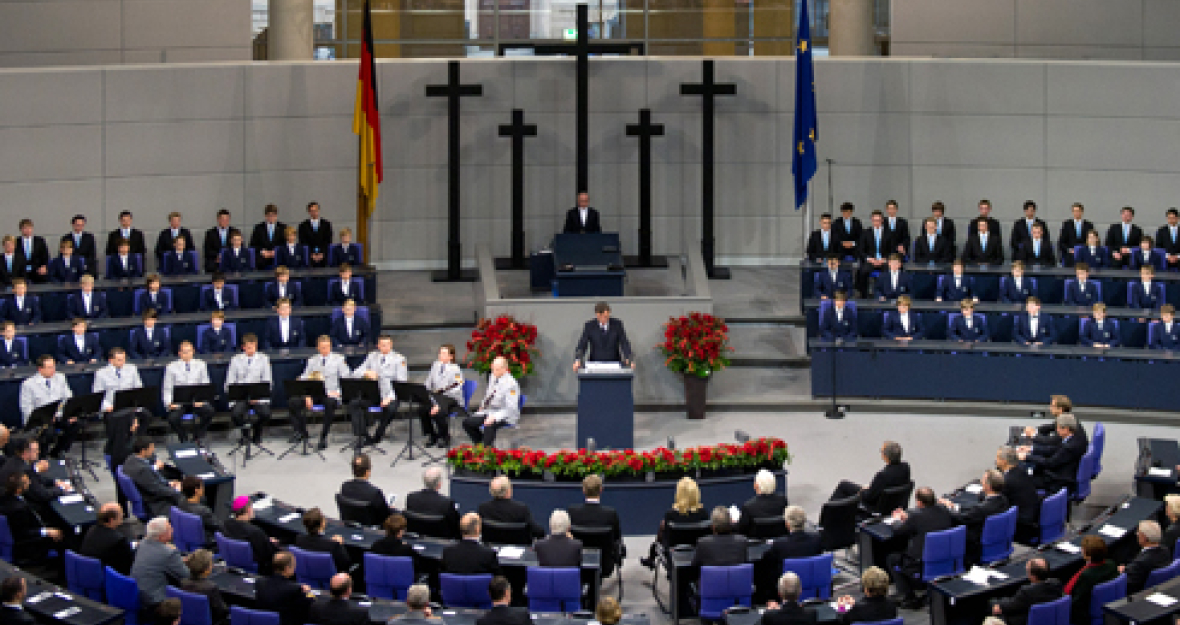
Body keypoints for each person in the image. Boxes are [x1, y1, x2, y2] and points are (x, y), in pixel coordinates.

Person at [887, 486, 955, 608]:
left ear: (919, 502)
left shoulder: (916, 517)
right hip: (944, 560)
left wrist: (896, 520)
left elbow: (898, 530)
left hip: (919, 565)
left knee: (892, 558)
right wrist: (908, 519)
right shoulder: (944, 510)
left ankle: (907, 596)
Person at [288, 336, 349, 450]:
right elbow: (305, 377)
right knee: (293, 402)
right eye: (322, 347)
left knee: (330, 404)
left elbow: (346, 378)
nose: (325, 350)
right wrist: (306, 394)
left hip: (331, 394)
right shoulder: (312, 360)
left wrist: (338, 393)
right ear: (318, 348)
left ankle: (323, 436)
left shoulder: (339, 359)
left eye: (327, 347)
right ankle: (301, 432)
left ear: (330, 347)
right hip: (315, 393)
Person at [93, 347, 149, 468]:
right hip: (112, 408)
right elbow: (97, 395)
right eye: (119, 360)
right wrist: (107, 407)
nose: (122, 362)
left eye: (123, 359)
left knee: (146, 415)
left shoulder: (132, 369)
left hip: (130, 406)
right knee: (119, 420)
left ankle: (135, 444)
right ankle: (119, 452)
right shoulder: (101, 373)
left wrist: (135, 406)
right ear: (111, 360)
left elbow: (138, 388)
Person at [939, 469, 1009, 565]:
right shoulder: (1003, 500)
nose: (981, 481)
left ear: (988, 486)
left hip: (975, 542)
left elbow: (962, 518)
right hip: (996, 538)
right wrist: (955, 506)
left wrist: (946, 508)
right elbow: (974, 512)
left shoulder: (982, 509)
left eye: (983, 480)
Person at [640, 476, 709, 568]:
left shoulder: (671, 515)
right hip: (699, 558)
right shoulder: (704, 514)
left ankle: (651, 558)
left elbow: (666, 539)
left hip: (673, 559)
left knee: (661, 530)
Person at [828, 440, 910, 514]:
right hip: (894, 502)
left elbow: (868, 497)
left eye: (881, 452)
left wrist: (862, 490)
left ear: (886, 456)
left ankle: (829, 514)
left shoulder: (882, 476)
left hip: (876, 506)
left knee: (844, 485)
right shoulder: (906, 467)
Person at [19, 355, 77, 456]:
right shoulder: (28, 384)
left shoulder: (60, 377)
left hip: (58, 415)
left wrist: (68, 413)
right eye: (50, 367)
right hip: (39, 420)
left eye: (54, 367)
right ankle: (42, 455)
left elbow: (68, 397)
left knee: (76, 424)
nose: (53, 370)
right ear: (40, 369)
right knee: (48, 432)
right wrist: (46, 418)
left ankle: (57, 451)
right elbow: (26, 408)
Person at [0, 473, 63, 563]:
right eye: (26, 482)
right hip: (29, 544)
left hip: (31, 525)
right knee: (65, 538)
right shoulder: (18, 509)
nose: (30, 483)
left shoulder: (5, 495)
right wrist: (47, 531)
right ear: (18, 489)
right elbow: (23, 533)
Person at [569, 474, 623, 575]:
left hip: (578, 562)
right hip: (605, 564)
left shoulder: (573, 513)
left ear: (583, 490)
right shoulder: (610, 514)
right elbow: (617, 538)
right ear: (601, 490)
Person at [131, 517, 190, 609]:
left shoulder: (142, 543)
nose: (173, 530)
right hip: (155, 602)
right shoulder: (169, 553)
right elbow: (187, 576)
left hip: (138, 593)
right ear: (161, 536)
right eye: (170, 529)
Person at [1019, 413, 1086, 494]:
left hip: (1059, 481)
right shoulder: (1070, 438)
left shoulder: (1070, 447)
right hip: (1059, 473)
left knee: (1021, 481)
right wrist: (1031, 449)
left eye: (1058, 428)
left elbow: (1049, 463)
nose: (1056, 431)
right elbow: (1053, 450)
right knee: (1031, 470)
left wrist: (1026, 457)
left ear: (1066, 429)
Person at [224, 333, 272, 444]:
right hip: (241, 396)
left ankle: (257, 431)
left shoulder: (264, 359)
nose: (251, 350)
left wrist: (258, 397)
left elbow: (267, 381)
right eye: (249, 347)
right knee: (236, 414)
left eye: (253, 347)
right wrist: (236, 394)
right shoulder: (235, 360)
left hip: (258, 396)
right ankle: (245, 434)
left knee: (265, 414)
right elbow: (230, 381)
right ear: (243, 347)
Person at [163, 341, 214, 444]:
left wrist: (202, 400)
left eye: (189, 351)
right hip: (179, 402)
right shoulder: (171, 367)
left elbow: (205, 384)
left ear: (193, 351)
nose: (187, 354)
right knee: (173, 419)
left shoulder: (201, 365)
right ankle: (184, 438)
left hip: (196, 401)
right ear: (179, 353)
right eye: (184, 352)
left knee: (209, 411)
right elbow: (167, 388)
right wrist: (169, 403)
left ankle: (198, 436)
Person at [463, 357, 521, 446]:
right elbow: (489, 394)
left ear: (505, 369)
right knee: (467, 422)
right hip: (491, 410)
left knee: (489, 426)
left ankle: (487, 451)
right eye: (493, 368)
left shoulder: (511, 384)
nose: (494, 371)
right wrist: (482, 406)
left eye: (497, 369)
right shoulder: (493, 376)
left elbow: (511, 408)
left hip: (506, 414)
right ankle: (480, 445)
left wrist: (494, 417)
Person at [123, 438, 183, 517]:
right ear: (143, 451)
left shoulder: (130, 459)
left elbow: (152, 483)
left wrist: (168, 483)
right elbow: (157, 489)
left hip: (150, 493)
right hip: (155, 503)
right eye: (151, 449)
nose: (153, 451)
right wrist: (176, 490)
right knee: (189, 497)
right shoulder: (143, 469)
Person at [1065, 536, 1118, 625]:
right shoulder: (1111, 564)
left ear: (1088, 556)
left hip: (1087, 614)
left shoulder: (1087, 575)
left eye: (1083, 549)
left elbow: (1076, 603)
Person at [992, 558, 1062, 625]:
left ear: (1033, 576)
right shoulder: (1056, 584)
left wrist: (996, 603)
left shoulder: (1027, 592)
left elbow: (1008, 607)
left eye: (1028, 571)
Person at [420, 344, 465, 448]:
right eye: (440, 353)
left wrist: (440, 402)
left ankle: (444, 436)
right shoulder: (435, 365)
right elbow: (429, 381)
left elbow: (457, 387)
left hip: (451, 397)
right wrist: (425, 392)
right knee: (422, 410)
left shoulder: (455, 369)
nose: (441, 355)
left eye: (444, 353)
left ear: (451, 356)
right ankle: (432, 435)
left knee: (439, 412)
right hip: (436, 396)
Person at [224, 496, 279, 575]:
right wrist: (271, 543)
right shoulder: (254, 532)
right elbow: (268, 554)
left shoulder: (227, 524)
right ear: (248, 509)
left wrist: (265, 540)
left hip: (234, 561)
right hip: (258, 567)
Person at [256, 552, 314, 625]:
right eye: (293, 565)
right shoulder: (294, 589)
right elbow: (311, 602)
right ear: (287, 568)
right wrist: (309, 592)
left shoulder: (260, 583)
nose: (295, 568)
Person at [477, 475, 544, 539]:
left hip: (490, 548)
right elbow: (538, 532)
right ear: (508, 491)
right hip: (517, 548)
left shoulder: (483, 509)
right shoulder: (521, 510)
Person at [995, 447, 1040, 542]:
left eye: (998, 458)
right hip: (1032, 515)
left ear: (1004, 461)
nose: (996, 460)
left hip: (1021, 523)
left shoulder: (1007, 480)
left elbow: (995, 499)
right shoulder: (1021, 471)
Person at [573, 301, 633, 370]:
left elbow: (624, 342)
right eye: (602, 317)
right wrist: (578, 360)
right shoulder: (589, 326)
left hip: (614, 364)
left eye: (607, 316)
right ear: (597, 315)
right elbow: (582, 344)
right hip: (595, 364)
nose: (605, 319)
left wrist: (628, 357)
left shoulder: (617, 325)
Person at [79, 502, 135, 575]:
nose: (123, 516)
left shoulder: (91, 530)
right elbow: (128, 564)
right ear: (111, 520)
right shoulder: (118, 540)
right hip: (108, 577)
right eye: (121, 515)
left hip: (88, 572)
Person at [405, 467, 460, 539]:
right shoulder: (446, 503)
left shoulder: (411, 498)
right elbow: (455, 525)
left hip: (417, 538)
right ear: (439, 484)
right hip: (441, 540)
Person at [691, 506, 748, 576]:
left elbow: (694, 568)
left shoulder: (703, 543)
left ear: (713, 526)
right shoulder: (742, 541)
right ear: (731, 524)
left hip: (711, 585)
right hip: (737, 585)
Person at [180, 549, 229, 625]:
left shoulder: (183, 582)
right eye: (211, 564)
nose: (212, 566)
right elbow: (221, 612)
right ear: (206, 570)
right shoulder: (211, 587)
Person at [295, 508, 351, 573]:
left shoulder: (299, 539)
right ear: (322, 523)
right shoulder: (333, 545)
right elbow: (346, 564)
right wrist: (341, 545)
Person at [1121, 521, 1171, 594]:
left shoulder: (1140, 562)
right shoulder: (1165, 551)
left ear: (1144, 537)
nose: (1137, 535)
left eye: (1138, 533)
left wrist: (1122, 572)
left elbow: (1128, 586)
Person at [341, 453, 393, 522]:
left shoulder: (345, 486)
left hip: (350, 524)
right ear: (367, 472)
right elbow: (385, 516)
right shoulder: (375, 493)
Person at [737, 469, 788, 535]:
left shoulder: (748, 507)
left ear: (756, 486)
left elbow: (741, 529)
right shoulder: (783, 501)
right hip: (780, 541)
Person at [854, 210, 892, 297]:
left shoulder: (889, 233)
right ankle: (863, 295)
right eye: (875, 220)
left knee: (889, 271)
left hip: (884, 261)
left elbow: (892, 250)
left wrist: (884, 259)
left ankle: (885, 294)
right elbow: (860, 250)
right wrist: (869, 259)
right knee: (862, 271)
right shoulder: (865, 233)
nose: (876, 222)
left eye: (878, 220)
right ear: (871, 220)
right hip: (870, 260)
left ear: (882, 220)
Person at [178, 476, 221, 543]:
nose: (203, 489)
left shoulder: (181, 503)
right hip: (207, 543)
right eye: (202, 487)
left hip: (187, 538)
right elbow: (218, 526)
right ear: (196, 490)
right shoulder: (203, 511)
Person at [250, 204, 286, 270]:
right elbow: (253, 245)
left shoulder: (283, 227)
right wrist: (262, 251)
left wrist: (276, 251)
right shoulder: (258, 228)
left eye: (273, 215)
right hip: (262, 258)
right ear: (265, 216)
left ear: (276, 216)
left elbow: (285, 244)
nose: (271, 218)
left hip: (278, 257)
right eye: (269, 216)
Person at [299, 202, 333, 267]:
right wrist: (311, 254)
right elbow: (303, 241)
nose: (314, 213)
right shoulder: (303, 226)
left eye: (315, 211)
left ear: (319, 210)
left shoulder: (326, 224)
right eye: (312, 211)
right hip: (309, 256)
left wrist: (322, 253)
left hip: (323, 255)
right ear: (309, 212)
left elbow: (328, 240)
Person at [15, 220, 49, 284]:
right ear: (21, 229)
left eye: (29, 228)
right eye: (25, 228)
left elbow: (45, 255)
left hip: (37, 269)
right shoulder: (16, 242)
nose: (27, 230)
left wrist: (44, 266)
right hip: (21, 270)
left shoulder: (39, 241)